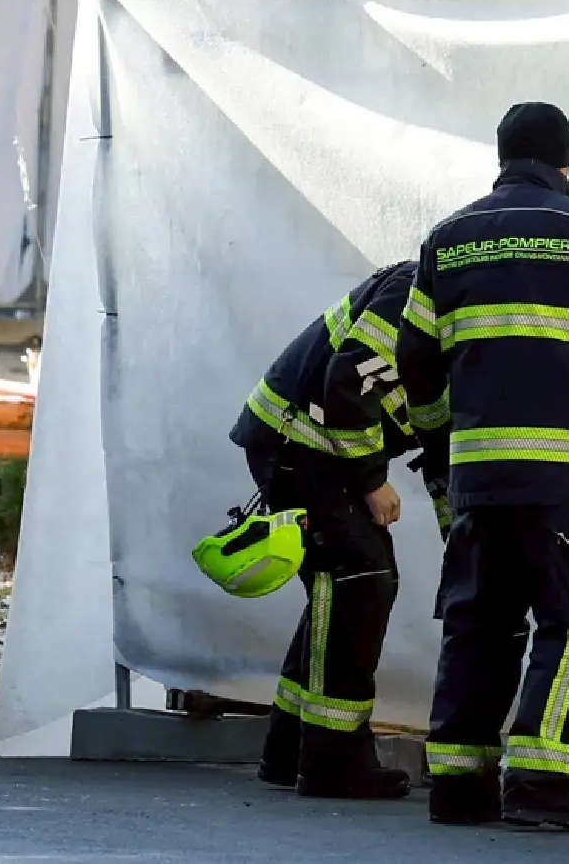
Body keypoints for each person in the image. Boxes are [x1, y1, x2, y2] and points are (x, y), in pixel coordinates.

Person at [397, 102, 569, 831]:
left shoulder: (447, 239)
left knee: (478, 622)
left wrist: (439, 446)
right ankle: (541, 780)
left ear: (501, 158)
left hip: (476, 479)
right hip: (556, 475)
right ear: (568, 161)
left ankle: (458, 784)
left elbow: (414, 362)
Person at [231, 260, 449, 800]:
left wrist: (459, 533)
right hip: (300, 442)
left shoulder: (469, 310)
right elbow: (348, 380)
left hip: (309, 443)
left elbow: (442, 437)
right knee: (360, 580)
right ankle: (331, 760)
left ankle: (288, 750)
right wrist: (373, 478)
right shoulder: (427, 291)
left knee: (343, 587)